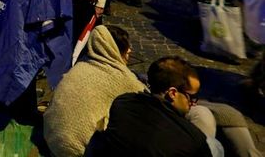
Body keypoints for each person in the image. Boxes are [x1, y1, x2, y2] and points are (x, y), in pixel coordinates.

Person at [85, 56, 220, 156]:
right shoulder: (193, 139)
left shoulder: (122, 102)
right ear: (172, 93)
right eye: (192, 97)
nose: (194, 103)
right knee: (215, 146)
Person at [44, 25, 145, 157]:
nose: (130, 50)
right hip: (79, 151)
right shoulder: (120, 76)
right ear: (113, 49)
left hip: (53, 139)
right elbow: (146, 98)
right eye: (127, 47)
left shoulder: (81, 66)